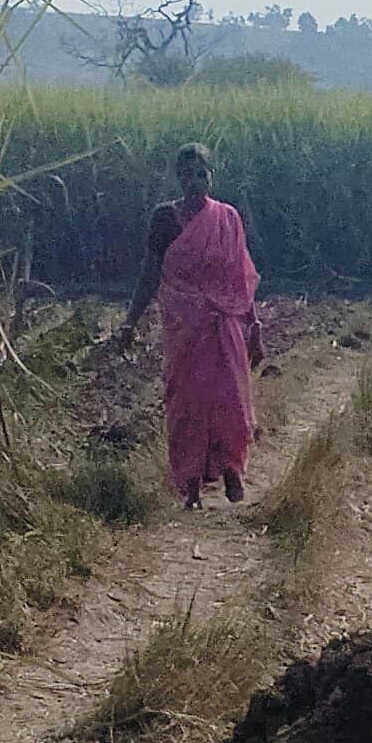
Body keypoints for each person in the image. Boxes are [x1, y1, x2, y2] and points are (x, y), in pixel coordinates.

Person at [122, 142, 264, 507]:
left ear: (211, 176)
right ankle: (191, 487)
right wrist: (130, 322)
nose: (196, 181)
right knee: (187, 404)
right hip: (185, 328)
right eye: (188, 174)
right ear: (178, 179)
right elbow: (150, 272)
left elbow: (239, 277)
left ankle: (232, 468)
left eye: (202, 173)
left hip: (224, 324)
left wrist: (255, 325)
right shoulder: (165, 219)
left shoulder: (227, 218)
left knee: (231, 400)